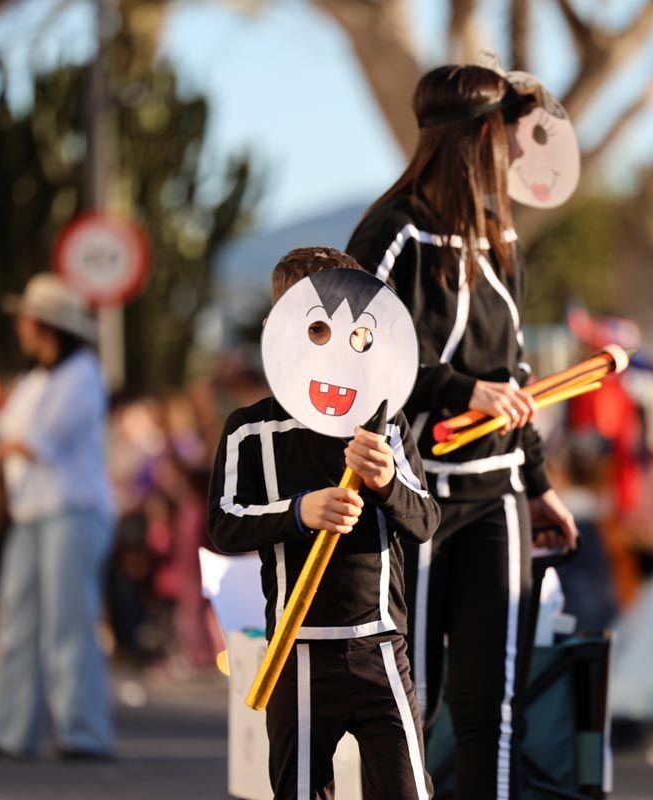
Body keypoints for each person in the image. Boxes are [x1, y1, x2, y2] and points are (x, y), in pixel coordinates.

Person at [346, 65, 578, 799]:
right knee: (409, 700)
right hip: (414, 501)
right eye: (509, 131)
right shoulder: (394, 231)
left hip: (498, 499)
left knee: (492, 708)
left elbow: (514, 373)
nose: (518, 149)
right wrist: (456, 389)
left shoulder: (497, 236)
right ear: (478, 134)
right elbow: (353, 347)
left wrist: (538, 485)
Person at [208, 247, 440, 799]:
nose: (336, 345)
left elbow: (426, 519)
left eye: (354, 331)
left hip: (381, 645)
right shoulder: (249, 429)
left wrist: (386, 482)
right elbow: (223, 524)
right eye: (315, 329)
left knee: (409, 790)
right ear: (276, 330)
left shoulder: (385, 422)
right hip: (296, 651)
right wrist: (297, 512)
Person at [0, 273, 115, 760]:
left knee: (68, 623)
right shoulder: (37, 377)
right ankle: (10, 730)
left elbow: (39, 443)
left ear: (47, 325)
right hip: (33, 513)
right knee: (17, 621)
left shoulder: (82, 374)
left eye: (27, 319)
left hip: (71, 511)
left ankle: (83, 731)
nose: (20, 327)